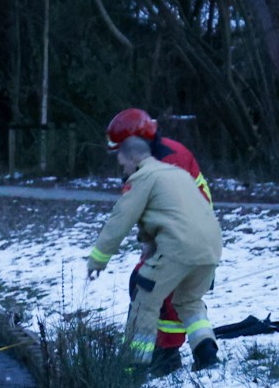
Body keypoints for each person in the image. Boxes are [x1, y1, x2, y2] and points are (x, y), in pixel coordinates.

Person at [85, 136, 223, 372]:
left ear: (133, 157)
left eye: (123, 164)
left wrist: (98, 259)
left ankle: (133, 366)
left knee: (145, 299)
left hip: (179, 249)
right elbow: (174, 212)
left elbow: (120, 221)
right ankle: (207, 355)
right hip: (211, 248)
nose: (124, 170)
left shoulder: (143, 178)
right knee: (189, 301)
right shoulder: (178, 174)